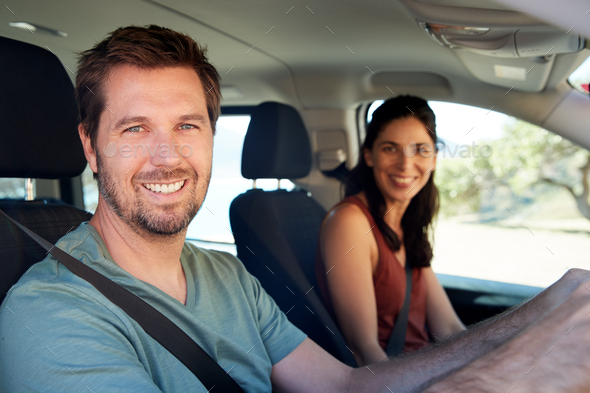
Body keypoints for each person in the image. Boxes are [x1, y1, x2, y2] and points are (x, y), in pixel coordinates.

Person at [2, 25, 590, 393]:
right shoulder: (48, 314)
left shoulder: (226, 274)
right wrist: (526, 373)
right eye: (134, 128)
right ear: (89, 147)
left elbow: (344, 385)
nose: (167, 156)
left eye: (188, 125)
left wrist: (544, 314)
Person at [315, 96, 465, 366]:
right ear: (369, 156)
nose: (406, 164)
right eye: (390, 148)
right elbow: (364, 352)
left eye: (420, 149)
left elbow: (450, 329)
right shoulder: (350, 221)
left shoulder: (405, 224)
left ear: (434, 158)